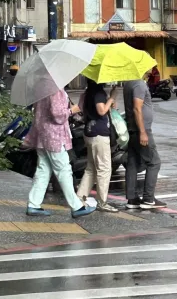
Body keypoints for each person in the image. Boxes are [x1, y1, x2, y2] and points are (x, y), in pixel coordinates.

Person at [25, 89, 96, 218]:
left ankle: (33, 204)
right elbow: (58, 116)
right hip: (54, 137)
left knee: (43, 170)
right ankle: (77, 206)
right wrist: (72, 110)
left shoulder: (41, 90)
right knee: (64, 170)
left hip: (42, 135)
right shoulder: (55, 90)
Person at [123, 76, 166, 210]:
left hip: (132, 129)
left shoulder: (128, 82)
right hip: (141, 129)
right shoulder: (138, 84)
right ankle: (148, 199)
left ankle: (132, 199)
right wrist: (143, 131)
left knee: (133, 163)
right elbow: (137, 108)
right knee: (154, 162)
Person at [77, 80, 119, 213]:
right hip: (99, 135)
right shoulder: (99, 93)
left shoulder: (87, 93)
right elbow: (101, 111)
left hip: (89, 132)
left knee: (91, 168)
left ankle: (80, 198)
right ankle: (102, 202)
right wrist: (111, 97)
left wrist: (110, 102)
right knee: (104, 169)